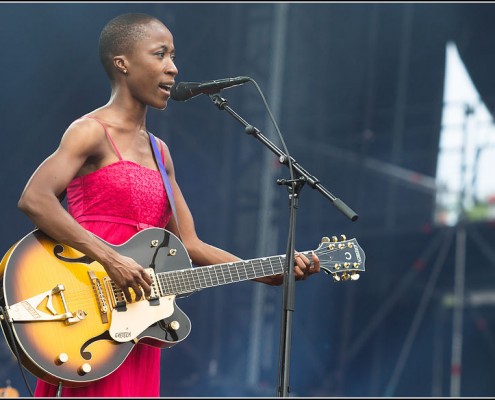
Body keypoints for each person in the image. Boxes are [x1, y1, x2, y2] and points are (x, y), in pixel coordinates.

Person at [17, 12, 320, 397]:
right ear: (122, 62)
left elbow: (191, 245)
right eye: (160, 54)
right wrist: (111, 258)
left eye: (173, 56)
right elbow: (35, 199)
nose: (173, 69)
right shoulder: (90, 131)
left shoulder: (160, 152)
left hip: (138, 319)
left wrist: (268, 271)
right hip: (86, 314)